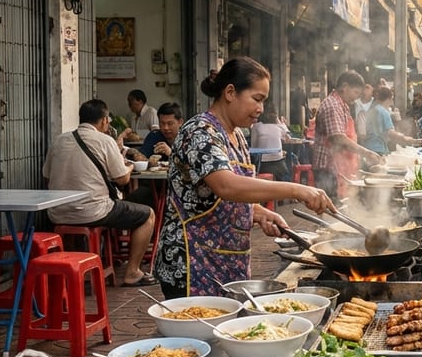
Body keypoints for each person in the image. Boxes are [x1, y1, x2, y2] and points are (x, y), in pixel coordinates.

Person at [153, 57, 334, 298]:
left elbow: (222, 196)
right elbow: (225, 185)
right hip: (190, 262)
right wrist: (296, 190)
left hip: (226, 261)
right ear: (230, 92)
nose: (261, 108)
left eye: (263, 101)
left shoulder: (236, 135)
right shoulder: (200, 131)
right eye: (256, 99)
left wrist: (258, 213)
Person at [43, 99, 156, 287]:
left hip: (57, 212)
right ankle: (133, 272)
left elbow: (46, 176)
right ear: (104, 120)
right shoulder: (105, 141)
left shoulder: (59, 140)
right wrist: (128, 168)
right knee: (148, 215)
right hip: (94, 212)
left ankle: (78, 269)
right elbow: (122, 180)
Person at [313, 71, 382, 200]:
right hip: (329, 169)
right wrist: (367, 153)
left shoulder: (342, 105)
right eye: (356, 92)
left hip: (339, 167)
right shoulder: (333, 106)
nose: (356, 98)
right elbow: (338, 139)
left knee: (342, 206)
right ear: (344, 87)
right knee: (332, 210)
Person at [359, 86, 415, 155]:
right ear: (389, 99)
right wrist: (404, 138)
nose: (392, 103)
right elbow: (390, 132)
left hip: (368, 148)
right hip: (378, 149)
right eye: (392, 100)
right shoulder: (383, 112)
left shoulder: (371, 110)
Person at [251, 105, 293, 182]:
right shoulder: (279, 127)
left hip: (262, 165)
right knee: (287, 174)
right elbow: (289, 139)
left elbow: (254, 147)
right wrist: (282, 124)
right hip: (278, 164)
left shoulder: (257, 126)